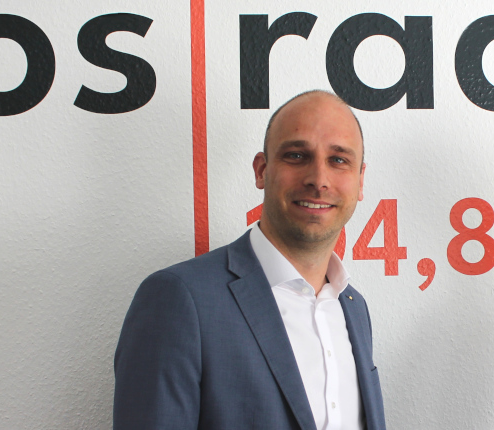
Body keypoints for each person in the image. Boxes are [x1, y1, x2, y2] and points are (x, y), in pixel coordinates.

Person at [114, 91, 385, 430]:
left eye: (339, 160)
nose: (319, 179)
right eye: (297, 155)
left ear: (360, 180)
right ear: (261, 170)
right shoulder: (180, 299)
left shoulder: (353, 307)